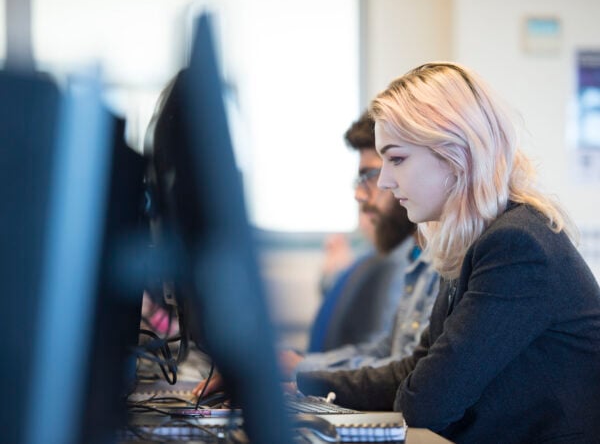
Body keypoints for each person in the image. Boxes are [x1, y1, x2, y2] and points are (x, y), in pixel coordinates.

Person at [295, 62, 600, 443]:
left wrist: (415, 386)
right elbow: (414, 371)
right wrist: (301, 380)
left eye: (397, 159)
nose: (386, 182)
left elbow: (426, 404)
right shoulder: (474, 239)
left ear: (454, 153)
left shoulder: (518, 246)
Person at [193, 112, 439, 396]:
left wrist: (302, 375)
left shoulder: (431, 262)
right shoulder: (414, 257)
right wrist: (296, 366)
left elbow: (402, 371)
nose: (362, 194)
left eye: (369, 175)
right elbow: (385, 351)